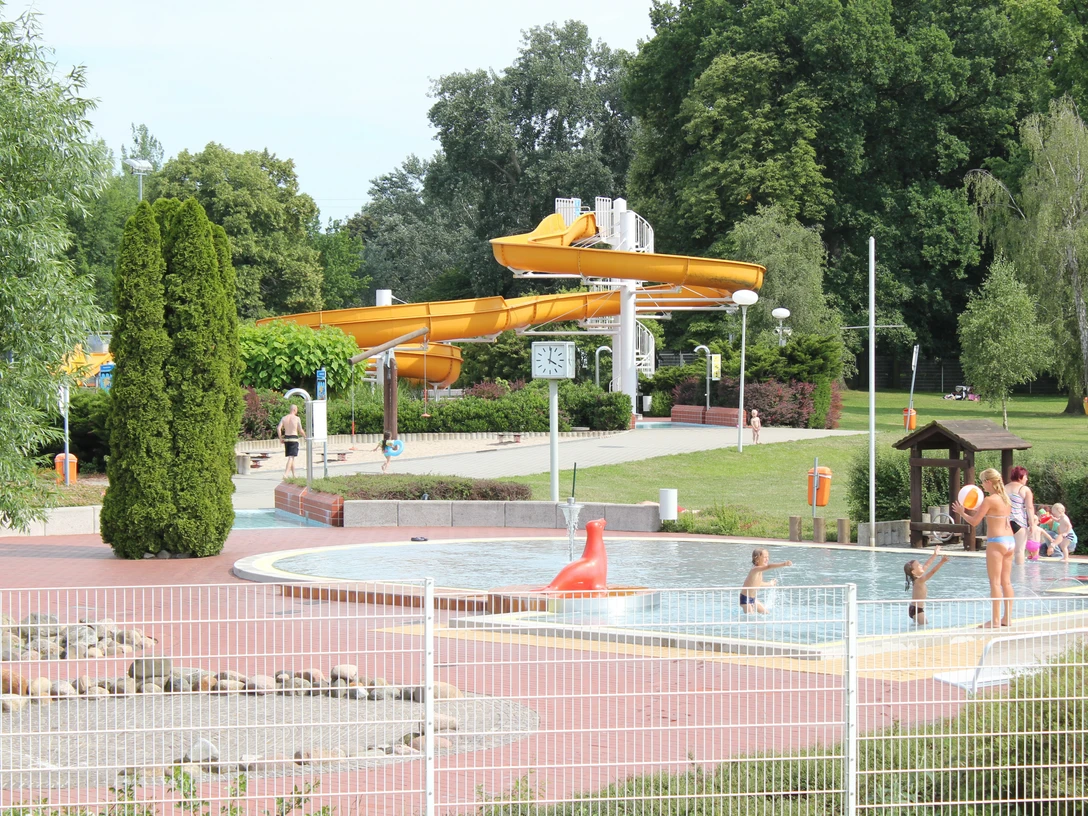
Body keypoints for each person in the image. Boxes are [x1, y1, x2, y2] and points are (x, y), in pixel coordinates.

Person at [952, 468, 1014, 628]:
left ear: (988, 482)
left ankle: (994, 621)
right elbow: (986, 512)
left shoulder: (989, 499)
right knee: (1006, 582)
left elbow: (974, 522)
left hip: (997, 540)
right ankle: (1007, 618)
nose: (982, 486)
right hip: (1010, 540)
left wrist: (962, 512)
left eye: (982, 482)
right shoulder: (1005, 498)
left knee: (994, 582)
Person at [903, 546, 950, 625]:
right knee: (924, 626)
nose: (921, 565)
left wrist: (935, 554)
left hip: (914, 608)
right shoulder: (919, 580)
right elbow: (932, 572)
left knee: (917, 627)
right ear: (914, 572)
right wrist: (942, 562)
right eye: (918, 565)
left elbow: (927, 564)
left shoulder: (917, 578)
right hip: (917, 610)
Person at [740, 548, 792, 614]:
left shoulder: (759, 571)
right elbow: (769, 566)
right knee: (750, 617)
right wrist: (784, 564)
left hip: (753, 599)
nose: (767, 559)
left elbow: (757, 583)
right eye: (764, 557)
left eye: (768, 557)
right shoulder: (755, 570)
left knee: (766, 613)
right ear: (757, 559)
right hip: (745, 599)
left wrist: (770, 583)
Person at [1004, 466, 1035, 565]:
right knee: (1019, 551)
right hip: (1018, 521)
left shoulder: (1004, 488)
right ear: (1020, 476)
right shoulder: (1024, 489)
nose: (1027, 479)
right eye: (1025, 476)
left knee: (1005, 550)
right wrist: (1032, 524)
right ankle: (1020, 576)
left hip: (1004, 522)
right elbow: (1029, 507)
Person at [276, 404, 305, 479]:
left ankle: (294, 474)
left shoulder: (284, 418)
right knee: (291, 457)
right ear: (295, 410)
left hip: (286, 438)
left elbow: (278, 428)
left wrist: (280, 438)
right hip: (293, 438)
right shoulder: (297, 418)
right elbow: (300, 430)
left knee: (291, 457)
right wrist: (305, 437)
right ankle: (286, 474)